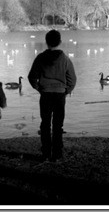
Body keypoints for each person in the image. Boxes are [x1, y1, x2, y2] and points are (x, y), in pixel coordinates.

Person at [28, 29, 77, 162]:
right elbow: (72, 80)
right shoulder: (65, 59)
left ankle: (46, 153)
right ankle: (57, 154)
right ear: (60, 42)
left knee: (45, 124)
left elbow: (32, 77)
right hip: (60, 95)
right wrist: (66, 91)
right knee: (57, 125)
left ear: (46, 42)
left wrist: (39, 89)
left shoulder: (40, 58)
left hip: (46, 95)